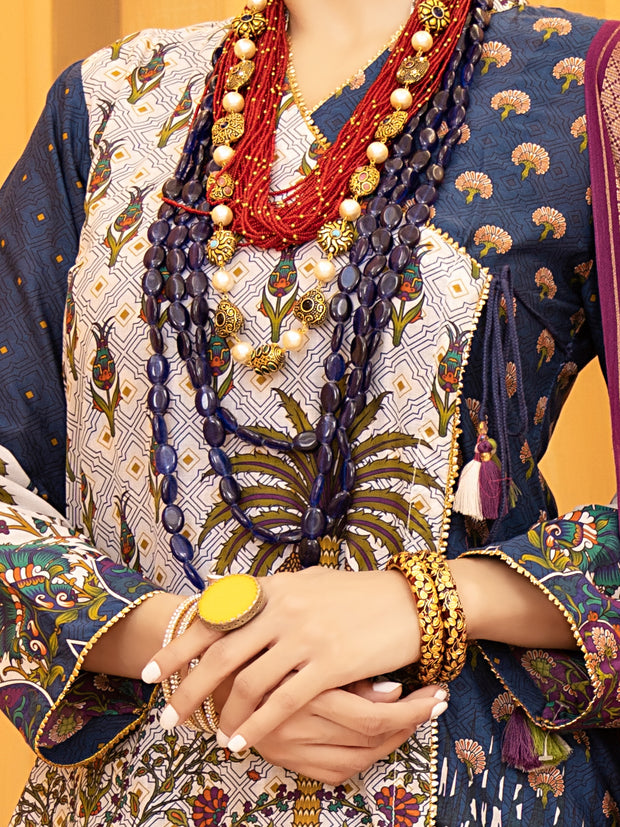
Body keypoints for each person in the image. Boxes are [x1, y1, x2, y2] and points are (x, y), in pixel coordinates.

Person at [0, 0, 619, 824]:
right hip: (137, 782)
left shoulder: (582, 86)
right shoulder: (107, 101)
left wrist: (428, 602)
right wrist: (195, 648)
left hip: (465, 777)